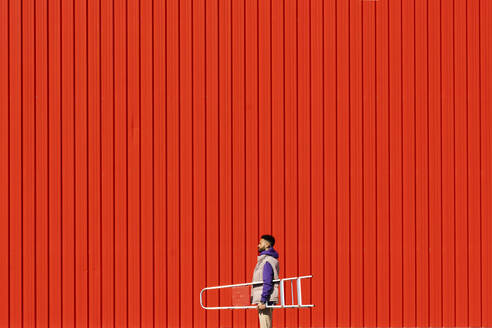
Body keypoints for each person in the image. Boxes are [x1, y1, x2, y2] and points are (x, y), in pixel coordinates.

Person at [251, 235, 279, 328]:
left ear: (267, 244)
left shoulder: (267, 261)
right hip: (266, 298)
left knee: (265, 326)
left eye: (260, 243)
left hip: (266, 299)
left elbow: (268, 282)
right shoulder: (266, 260)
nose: (258, 245)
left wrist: (263, 300)